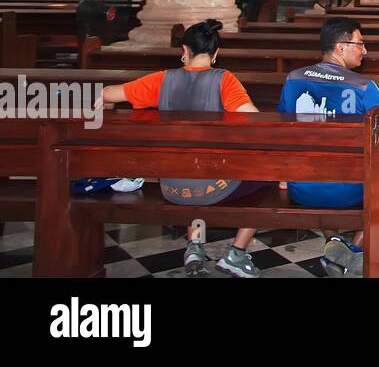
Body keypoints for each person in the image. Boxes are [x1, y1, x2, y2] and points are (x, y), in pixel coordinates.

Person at [96, 19, 265, 278]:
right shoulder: (225, 81)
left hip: (172, 187)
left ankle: (195, 246)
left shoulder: (162, 80)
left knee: (187, 162)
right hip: (213, 187)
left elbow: (109, 93)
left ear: (184, 51)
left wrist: (106, 103)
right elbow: (254, 121)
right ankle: (237, 254)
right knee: (269, 175)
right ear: (216, 54)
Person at [278, 17, 379, 276]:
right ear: (340, 47)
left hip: (302, 187)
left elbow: (283, 131)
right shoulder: (364, 86)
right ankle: (351, 252)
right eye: (360, 44)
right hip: (349, 189)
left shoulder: (292, 79)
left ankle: (334, 242)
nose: (364, 50)